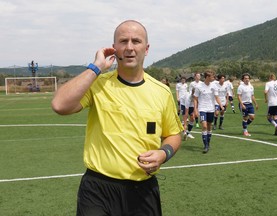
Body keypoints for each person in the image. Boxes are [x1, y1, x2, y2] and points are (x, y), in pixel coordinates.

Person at [51, 20, 183, 216]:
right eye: (123, 41)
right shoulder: (97, 83)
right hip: (98, 189)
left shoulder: (161, 92)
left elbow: (173, 134)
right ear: (114, 49)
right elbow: (59, 105)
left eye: (136, 41)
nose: (129, 47)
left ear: (146, 49)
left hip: (143, 190)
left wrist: (164, 154)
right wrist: (95, 68)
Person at [193, 69, 223, 153]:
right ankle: (205, 146)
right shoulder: (199, 87)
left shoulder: (214, 86)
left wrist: (221, 105)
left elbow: (217, 97)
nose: (214, 78)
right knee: (204, 126)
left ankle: (208, 142)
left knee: (209, 126)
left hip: (211, 109)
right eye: (212, 76)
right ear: (207, 77)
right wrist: (195, 109)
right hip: (202, 109)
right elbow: (195, 99)